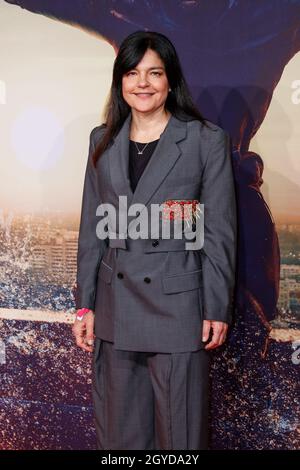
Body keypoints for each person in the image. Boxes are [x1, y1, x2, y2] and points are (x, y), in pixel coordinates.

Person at [72, 30, 237, 450]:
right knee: (121, 439)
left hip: (178, 311)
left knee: (179, 442)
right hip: (114, 310)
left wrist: (216, 307)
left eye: (154, 73)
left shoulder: (204, 140)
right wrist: (85, 303)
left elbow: (219, 232)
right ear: (120, 81)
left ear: (170, 80)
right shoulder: (101, 139)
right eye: (132, 72)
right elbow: (93, 228)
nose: (142, 83)